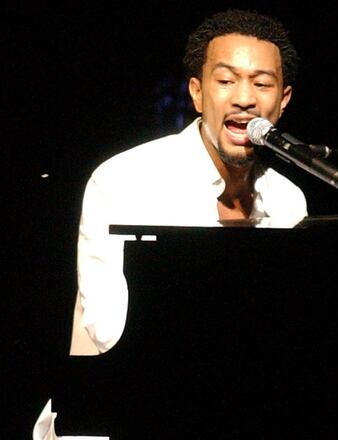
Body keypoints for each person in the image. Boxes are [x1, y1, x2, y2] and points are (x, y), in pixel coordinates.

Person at [69, 9, 308, 356]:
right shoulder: (122, 181)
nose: (244, 98)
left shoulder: (289, 200)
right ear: (196, 93)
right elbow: (108, 326)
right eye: (226, 81)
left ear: (283, 100)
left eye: (261, 83)